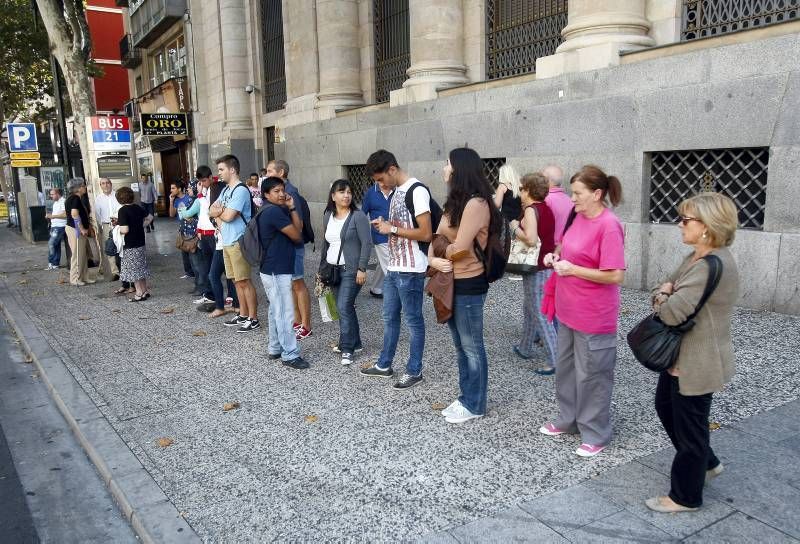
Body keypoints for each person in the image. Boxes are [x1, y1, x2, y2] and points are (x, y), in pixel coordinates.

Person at [645, 193, 740, 514]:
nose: (680, 225)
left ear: (707, 227)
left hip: (696, 362)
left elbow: (671, 312)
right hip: (681, 357)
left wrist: (661, 295)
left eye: (686, 220)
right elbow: (669, 283)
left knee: (691, 429)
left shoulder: (710, 264)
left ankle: (685, 496)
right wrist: (665, 290)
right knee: (667, 409)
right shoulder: (697, 257)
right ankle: (708, 463)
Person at [539, 165, 626, 458]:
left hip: (594, 314)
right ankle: (568, 419)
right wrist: (556, 255)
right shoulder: (579, 217)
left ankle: (596, 432)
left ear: (597, 194)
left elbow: (615, 275)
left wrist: (573, 269)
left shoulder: (609, 224)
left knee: (593, 375)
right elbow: (566, 247)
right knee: (566, 369)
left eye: (577, 193)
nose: (571, 198)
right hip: (568, 310)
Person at [428, 148, 495, 423]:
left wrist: (438, 258)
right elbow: (437, 236)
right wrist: (434, 258)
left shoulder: (476, 204)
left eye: (446, 163)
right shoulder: (455, 201)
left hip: (468, 281)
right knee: (459, 345)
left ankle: (475, 404)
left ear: (458, 169)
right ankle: (466, 397)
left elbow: (461, 248)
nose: (443, 168)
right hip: (450, 279)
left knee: (471, 346)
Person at [360, 150, 432, 390]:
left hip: (411, 268)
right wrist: (385, 226)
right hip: (394, 266)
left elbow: (425, 233)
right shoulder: (397, 192)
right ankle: (384, 365)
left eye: (381, 179)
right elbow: (401, 226)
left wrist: (391, 229)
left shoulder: (416, 190)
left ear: (392, 169)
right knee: (389, 317)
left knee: (413, 320)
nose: (380, 185)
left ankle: (414, 370)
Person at [256, 177, 309, 369]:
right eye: (276, 191)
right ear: (266, 194)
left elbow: (298, 230)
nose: (281, 194)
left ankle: (275, 347)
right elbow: (297, 235)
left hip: (273, 268)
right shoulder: (274, 213)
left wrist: (292, 207)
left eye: (282, 190)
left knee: (274, 309)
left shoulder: (272, 210)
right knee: (285, 312)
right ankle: (290, 354)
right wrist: (291, 210)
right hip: (276, 269)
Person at [320, 179, 372, 365]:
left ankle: (347, 348)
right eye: (342, 192)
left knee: (343, 307)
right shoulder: (327, 215)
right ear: (333, 196)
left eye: (349, 192)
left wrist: (362, 268)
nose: (346, 195)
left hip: (351, 270)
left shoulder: (357, 216)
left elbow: (367, 243)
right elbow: (326, 244)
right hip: (332, 270)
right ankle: (355, 342)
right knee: (345, 308)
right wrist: (321, 270)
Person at [511, 173, 558, 375]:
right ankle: (525, 347)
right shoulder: (546, 208)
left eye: (521, 188)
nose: (520, 192)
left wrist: (514, 227)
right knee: (530, 308)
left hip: (535, 267)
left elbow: (530, 239)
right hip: (544, 266)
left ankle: (555, 359)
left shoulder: (531, 210)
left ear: (528, 190)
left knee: (539, 313)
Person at [209, 154, 259, 333]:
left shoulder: (240, 190)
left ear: (232, 169)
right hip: (227, 240)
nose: (219, 173)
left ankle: (253, 318)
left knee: (245, 280)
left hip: (239, 241)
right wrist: (220, 213)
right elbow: (211, 210)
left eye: (221, 169)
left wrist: (219, 212)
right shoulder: (225, 190)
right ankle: (243, 313)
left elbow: (229, 216)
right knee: (236, 281)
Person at [266, 160, 313, 340]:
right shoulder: (280, 192)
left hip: (294, 245)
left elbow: (298, 224)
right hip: (285, 246)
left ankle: (306, 325)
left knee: (298, 284)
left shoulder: (290, 192)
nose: (267, 174)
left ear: (282, 172)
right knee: (291, 285)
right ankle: (297, 321)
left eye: (270, 171)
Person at [178, 166, 216, 305]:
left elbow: (188, 214)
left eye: (190, 187)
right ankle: (207, 292)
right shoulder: (199, 197)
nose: (188, 189)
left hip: (205, 236)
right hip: (200, 234)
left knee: (204, 266)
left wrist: (182, 210)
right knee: (203, 265)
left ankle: (206, 290)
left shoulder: (200, 198)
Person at [116, 186, 151, 301]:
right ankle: (145, 290)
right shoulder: (138, 207)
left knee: (133, 269)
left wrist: (116, 229)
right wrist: (141, 226)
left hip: (130, 244)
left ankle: (139, 293)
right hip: (141, 241)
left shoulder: (122, 211)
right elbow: (149, 218)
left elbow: (125, 230)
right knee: (141, 267)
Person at [360, 177, 392, 298]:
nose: (383, 182)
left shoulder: (396, 190)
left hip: (397, 234)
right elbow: (362, 214)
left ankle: (376, 288)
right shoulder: (370, 193)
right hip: (380, 236)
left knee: (382, 263)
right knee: (391, 266)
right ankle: (395, 295)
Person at [64, 178, 95, 286]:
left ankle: (84, 277)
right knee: (77, 254)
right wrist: (81, 228)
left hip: (75, 229)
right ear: (78, 188)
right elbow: (74, 214)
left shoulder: (74, 198)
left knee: (83, 254)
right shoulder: (75, 199)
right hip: (75, 230)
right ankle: (75, 278)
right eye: (83, 185)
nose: (85, 187)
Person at [94, 178, 121, 281]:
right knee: (110, 248)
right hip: (106, 225)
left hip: (118, 224)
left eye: (107, 183)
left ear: (111, 184)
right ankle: (115, 272)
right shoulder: (98, 198)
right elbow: (97, 214)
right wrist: (102, 226)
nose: (105, 185)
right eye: (103, 184)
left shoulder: (117, 195)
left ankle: (124, 269)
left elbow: (121, 208)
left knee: (121, 247)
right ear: (100, 186)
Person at [542, 165, 573, 244]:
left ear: (546, 180)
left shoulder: (545, 199)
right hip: (564, 247)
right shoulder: (570, 200)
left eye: (541, 178)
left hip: (548, 248)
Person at [46, 187, 68, 270]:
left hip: (59, 226)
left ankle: (52, 262)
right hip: (54, 226)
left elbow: (65, 214)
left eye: (52, 194)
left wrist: (52, 216)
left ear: (58, 194)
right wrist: (50, 216)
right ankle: (55, 264)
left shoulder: (63, 201)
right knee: (56, 245)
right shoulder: (55, 203)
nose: (51, 196)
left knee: (51, 243)